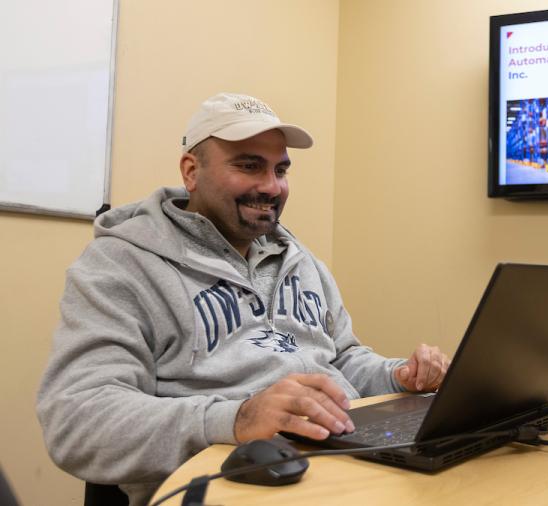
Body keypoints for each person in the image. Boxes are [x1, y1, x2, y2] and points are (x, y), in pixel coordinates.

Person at [36, 92, 450, 505]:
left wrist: (399, 376)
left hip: (342, 466)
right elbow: (78, 421)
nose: (271, 187)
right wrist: (235, 418)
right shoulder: (122, 265)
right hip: (230, 487)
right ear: (191, 171)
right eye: (249, 165)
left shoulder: (303, 262)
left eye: (280, 169)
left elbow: (340, 358)